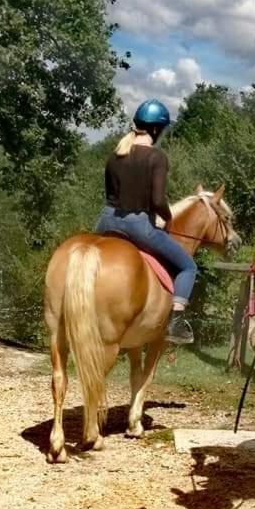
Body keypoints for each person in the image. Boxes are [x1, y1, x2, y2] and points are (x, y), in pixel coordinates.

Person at [95, 99, 198, 345]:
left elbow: (109, 194)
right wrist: (168, 217)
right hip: (138, 226)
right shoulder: (156, 157)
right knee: (188, 267)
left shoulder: (115, 154)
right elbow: (157, 199)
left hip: (106, 222)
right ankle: (175, 323)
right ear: (156, 129)